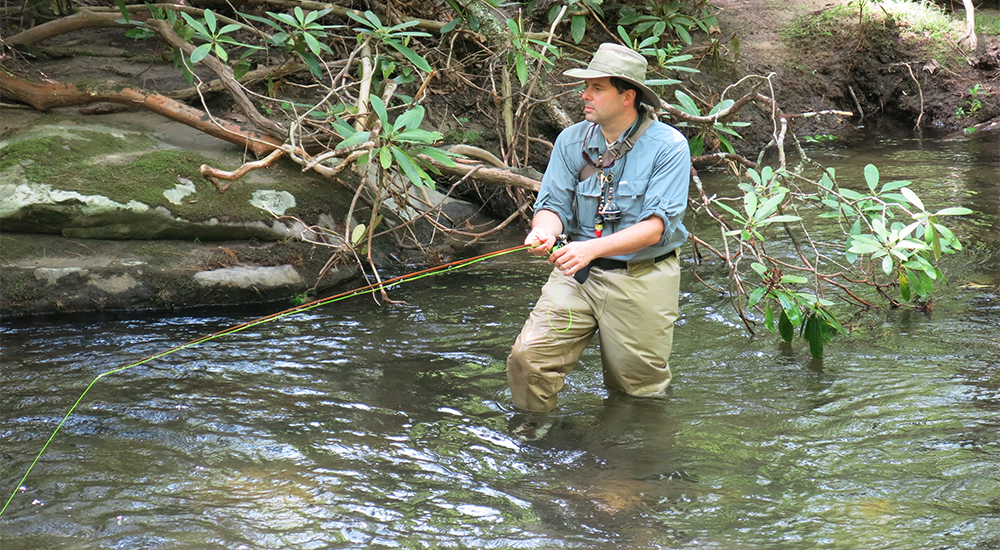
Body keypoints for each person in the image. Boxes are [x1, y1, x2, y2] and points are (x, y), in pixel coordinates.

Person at [506, 43, 690, 413]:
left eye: (597, 88)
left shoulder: (669, 146)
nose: (584, 95)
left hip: (642, 278)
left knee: (638, 392)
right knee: (528, 361)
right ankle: (538, 442)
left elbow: (656, 228)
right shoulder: (571, 141)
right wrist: (543, 230)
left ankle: (631, 465)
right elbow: (552, 205)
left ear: (628, 97)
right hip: (577, 276)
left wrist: (590, 248)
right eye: (585, 86)